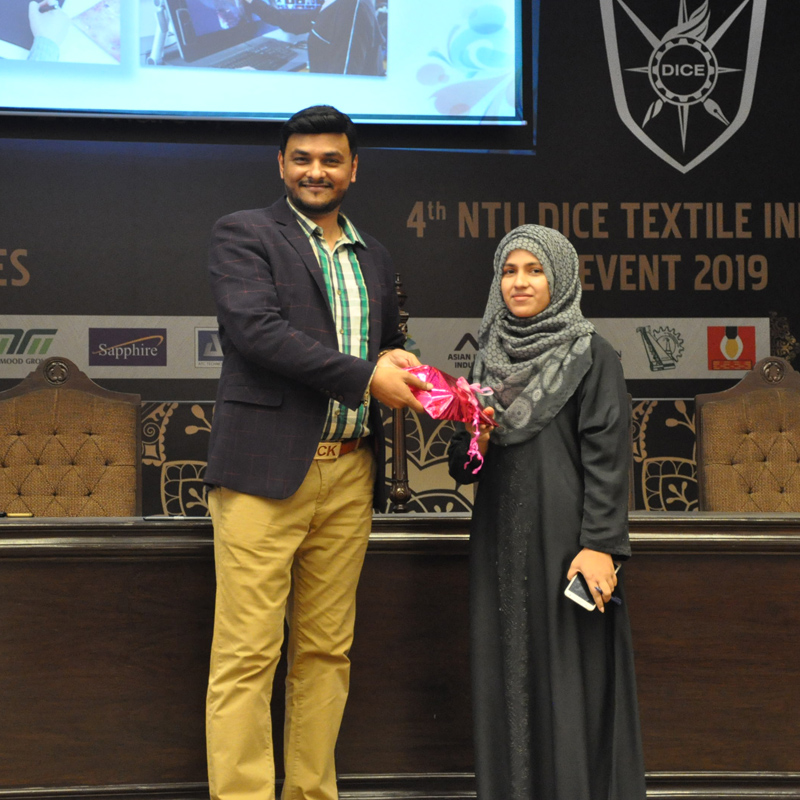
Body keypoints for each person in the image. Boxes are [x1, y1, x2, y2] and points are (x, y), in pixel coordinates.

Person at [204, 104, 429, 800]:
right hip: (262, 474)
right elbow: (258, 334)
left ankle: (310, 793)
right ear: (281, 165)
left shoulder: (374, 254)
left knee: (326, 653)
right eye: (301, 158)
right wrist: (367, 376)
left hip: (350, 472)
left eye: (331, 159)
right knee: (248, 655)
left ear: (353, 169)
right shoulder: (245, 233)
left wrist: (397, 360)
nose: (315, 171)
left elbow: (385, 341)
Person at [447, 225, 646, 800]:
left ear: (560, 278)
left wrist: (600, 545)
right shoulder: (486, 358)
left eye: (535, 270)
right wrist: (475, 435)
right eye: (509, 271)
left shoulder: (591, 353)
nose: (520, 282)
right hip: (499, 543)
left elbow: (608, 459)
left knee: (569, 675)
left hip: (568, 545)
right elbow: (465, 466)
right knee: (506, 672)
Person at [243, 0, 385, 75]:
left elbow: (341, 83)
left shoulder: (352, 8)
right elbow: (295, 23)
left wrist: (264, 81)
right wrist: (254, 2)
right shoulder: (332, 3)